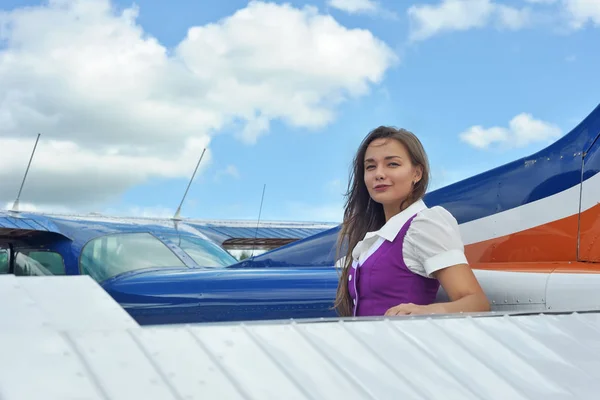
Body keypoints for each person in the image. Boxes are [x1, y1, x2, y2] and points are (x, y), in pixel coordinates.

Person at [334, 126, 490, 317]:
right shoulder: (375, 237)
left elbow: (477, 302)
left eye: (392, 164)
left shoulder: (424, 225)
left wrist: (424, 311)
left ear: (417, 173)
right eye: (370, 166)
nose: (379, 174)